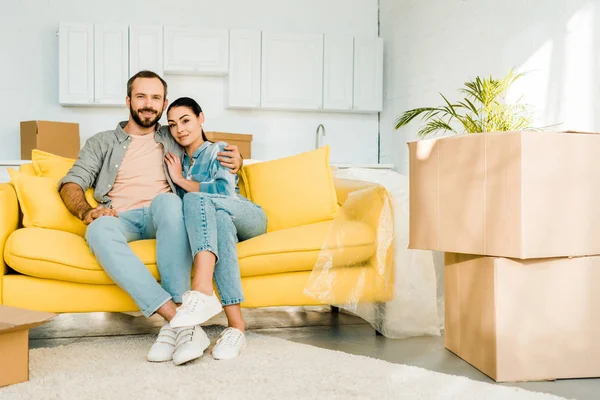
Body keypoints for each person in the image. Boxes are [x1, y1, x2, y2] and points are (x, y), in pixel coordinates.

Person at [58, 70, 243, 366]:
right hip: (121, 215)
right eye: (141, 96)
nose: (148, 104)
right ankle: (180, 322)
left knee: (169, 202)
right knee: (98, 230)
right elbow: (72, 182)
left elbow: (204, 145)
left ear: (164, 102)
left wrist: (237, 159)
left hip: (164, 212)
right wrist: (85, 210)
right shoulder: (102, 141)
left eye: (155, 98)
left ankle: (178, 327)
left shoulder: (172, 134)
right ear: (128, 100)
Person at [163, 97, 267, 360]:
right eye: (173, 124)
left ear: (201, 118)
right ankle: (236, 328)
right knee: (218, 222)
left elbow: (222, 191)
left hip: (246, 215)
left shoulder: (217, 150)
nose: (180, 129)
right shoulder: (176, 160)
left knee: (197, 198)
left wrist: (181, 181)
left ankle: (202, 289)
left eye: (186, 120)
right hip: (224, 222)